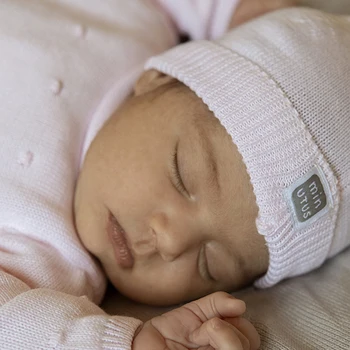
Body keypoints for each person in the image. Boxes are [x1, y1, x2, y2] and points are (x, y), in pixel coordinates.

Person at [0, 0, 300, 349]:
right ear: (160, 78)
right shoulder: (134, 21)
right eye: (181, 175)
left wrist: (130, 342)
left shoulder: (49, 261)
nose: (171, 242)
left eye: (209, 265)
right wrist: (251, 17)